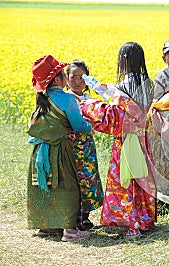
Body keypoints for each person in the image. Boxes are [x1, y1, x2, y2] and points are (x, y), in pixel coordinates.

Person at [80, 42, 157, 238]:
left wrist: (88, 105)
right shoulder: (149, 83)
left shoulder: (124, 86)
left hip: (126, 141)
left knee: (127, 179)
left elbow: (115, 115)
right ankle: (145, 219)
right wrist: (97, 86)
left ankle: (131, 225)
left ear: (124, 60)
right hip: (143, 140)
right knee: (142, 179)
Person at [27, 54, 92, 242]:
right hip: (61, 151)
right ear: (57, 79)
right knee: (67, 186)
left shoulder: (42, 98)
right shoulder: (67, 99)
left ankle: (48, 226)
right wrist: (91, 127)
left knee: (45, 185)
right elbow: (78, 125)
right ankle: (70, 231)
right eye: (64, 74)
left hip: (40, 151)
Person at [66, 60, 104, 231]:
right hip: (71, 147)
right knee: (74, 180)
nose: (77, 81)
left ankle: (85, 216)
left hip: (87, 146)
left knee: (89, 179)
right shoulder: (65, 98)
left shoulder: (90, 100)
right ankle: (75, 217)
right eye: (73, 77)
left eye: (82, 77)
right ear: (66, 79)